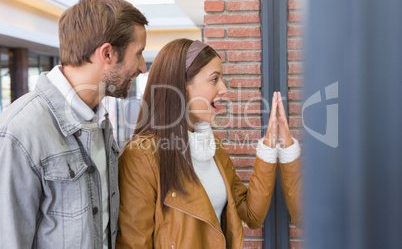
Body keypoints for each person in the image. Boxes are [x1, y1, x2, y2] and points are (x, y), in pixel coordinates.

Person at [116, 39, 302, 248]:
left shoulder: (211, 147)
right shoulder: (141, 156)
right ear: (181, 86)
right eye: (215, 79)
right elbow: (133, 243)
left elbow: (252, 215)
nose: (224, 89)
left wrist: (270, 147)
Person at [0, 0, 148, 249]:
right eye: (139, 53)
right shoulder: (19, 130)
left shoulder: (100, 122)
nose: (143, 67)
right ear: (108, 54)